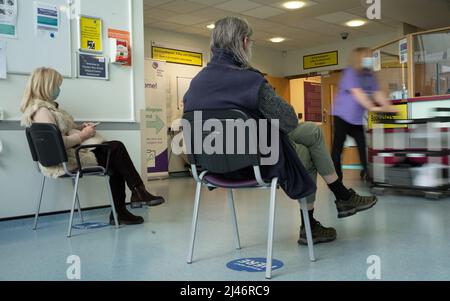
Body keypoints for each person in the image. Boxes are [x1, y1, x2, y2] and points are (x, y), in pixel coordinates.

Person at [183, 17, 378, 245]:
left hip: (209, 167)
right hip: (252, 165)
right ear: (245, 42)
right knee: (305, 152)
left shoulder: (195, 84)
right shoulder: (250, 80)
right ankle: (317, 219)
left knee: (312, 133)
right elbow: (288, 121)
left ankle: (338, 201)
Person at [20, 67, 165, 225]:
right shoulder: (43, 112)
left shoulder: (41, 110)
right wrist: (83, 135)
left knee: (115, 159)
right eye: (57, 85)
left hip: (66, 157)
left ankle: (128, 203)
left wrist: (81, 128)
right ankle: (135, 195)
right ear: (46, 86)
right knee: (116, 149)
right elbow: (58, 143)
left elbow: (62, 134)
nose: (58, 89)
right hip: (67, 160)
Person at [332, 47, 395, 181]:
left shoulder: (369, 75)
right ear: (358, 58)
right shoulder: (350, 73)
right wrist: (373, 108)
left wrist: (389, 106)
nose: (369, 59)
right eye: (366, 56)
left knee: (362, 145)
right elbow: (358, 94)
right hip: (342, 116)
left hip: (356, 119)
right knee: (338, 146)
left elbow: (377, 94)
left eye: (370, 56)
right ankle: (335, 176)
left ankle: (367, 173)